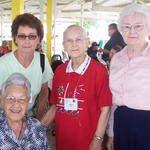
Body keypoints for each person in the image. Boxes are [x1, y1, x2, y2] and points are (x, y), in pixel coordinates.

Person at [41, 25, 112, 150]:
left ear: (87, 42)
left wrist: (97, 139)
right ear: (64, 45)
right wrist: (38, 127)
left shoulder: (99, 70)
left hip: (88, 140)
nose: (74, 44)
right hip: (63, 140)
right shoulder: (60, 71)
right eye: (69, 40)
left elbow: (105, 109)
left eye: (78, 39)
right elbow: (56, 106)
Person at [107, 3, 150, 150]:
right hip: (121, 123)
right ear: (121, 30)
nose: (131, 31)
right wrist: (111, 132)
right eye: (126, 26)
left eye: (138, 26)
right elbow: (114, 99)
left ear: (148, 29)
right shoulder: (116, 59)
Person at [0, 13, 53, 120]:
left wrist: (37, 120)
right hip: (5, 117)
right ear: (15, 39)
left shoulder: (42, 61)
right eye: (22, 36)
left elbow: (44, 92)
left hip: (30, 115)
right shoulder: (3, 64)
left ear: (39, 39)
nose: (27, 41)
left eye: (32, 36)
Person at [0, 73, 50, 149]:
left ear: (28, 100)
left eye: (21, 99)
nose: (16, 104)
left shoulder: (37, 127)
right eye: (10, 98)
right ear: (2, 99)